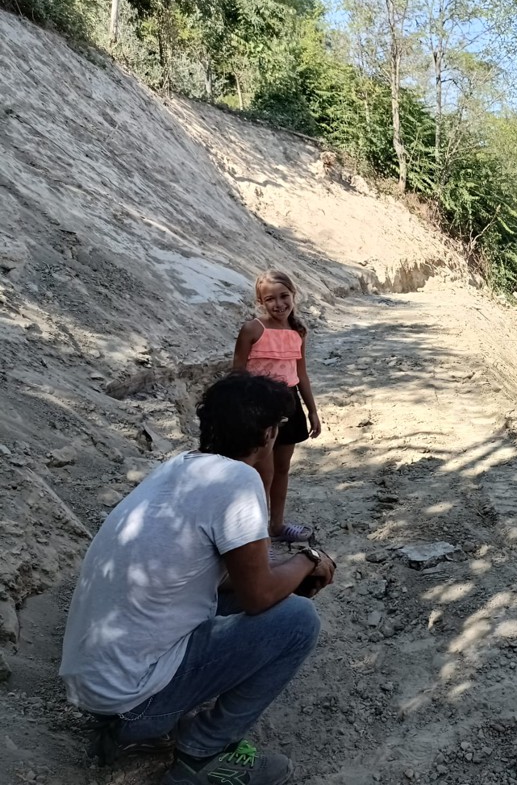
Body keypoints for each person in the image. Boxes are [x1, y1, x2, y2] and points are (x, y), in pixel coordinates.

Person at [60, 372, 337, 785]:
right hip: (132, 702)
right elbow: (259, 596)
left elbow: (227, 581)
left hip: (95, 690)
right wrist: (309, 560)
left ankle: (137, 731)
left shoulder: (177, 468)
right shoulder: (237, 481)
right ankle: (202, 757)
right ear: (267, 435)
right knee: (298, 621)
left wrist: (289, 571)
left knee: (271, 595)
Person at [233, 269, 322, 543]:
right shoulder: (252, 330)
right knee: (264, 472)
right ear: (261, 302)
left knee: (282, 469)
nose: (278, 304)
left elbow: (301, 374)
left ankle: (276, 526)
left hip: (289, 402)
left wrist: (312, 410)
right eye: (270, 299)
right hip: (259, 406)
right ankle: (256, 535)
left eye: (284, 296)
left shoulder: (298, 332)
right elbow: (237, 374)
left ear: (293, 296)